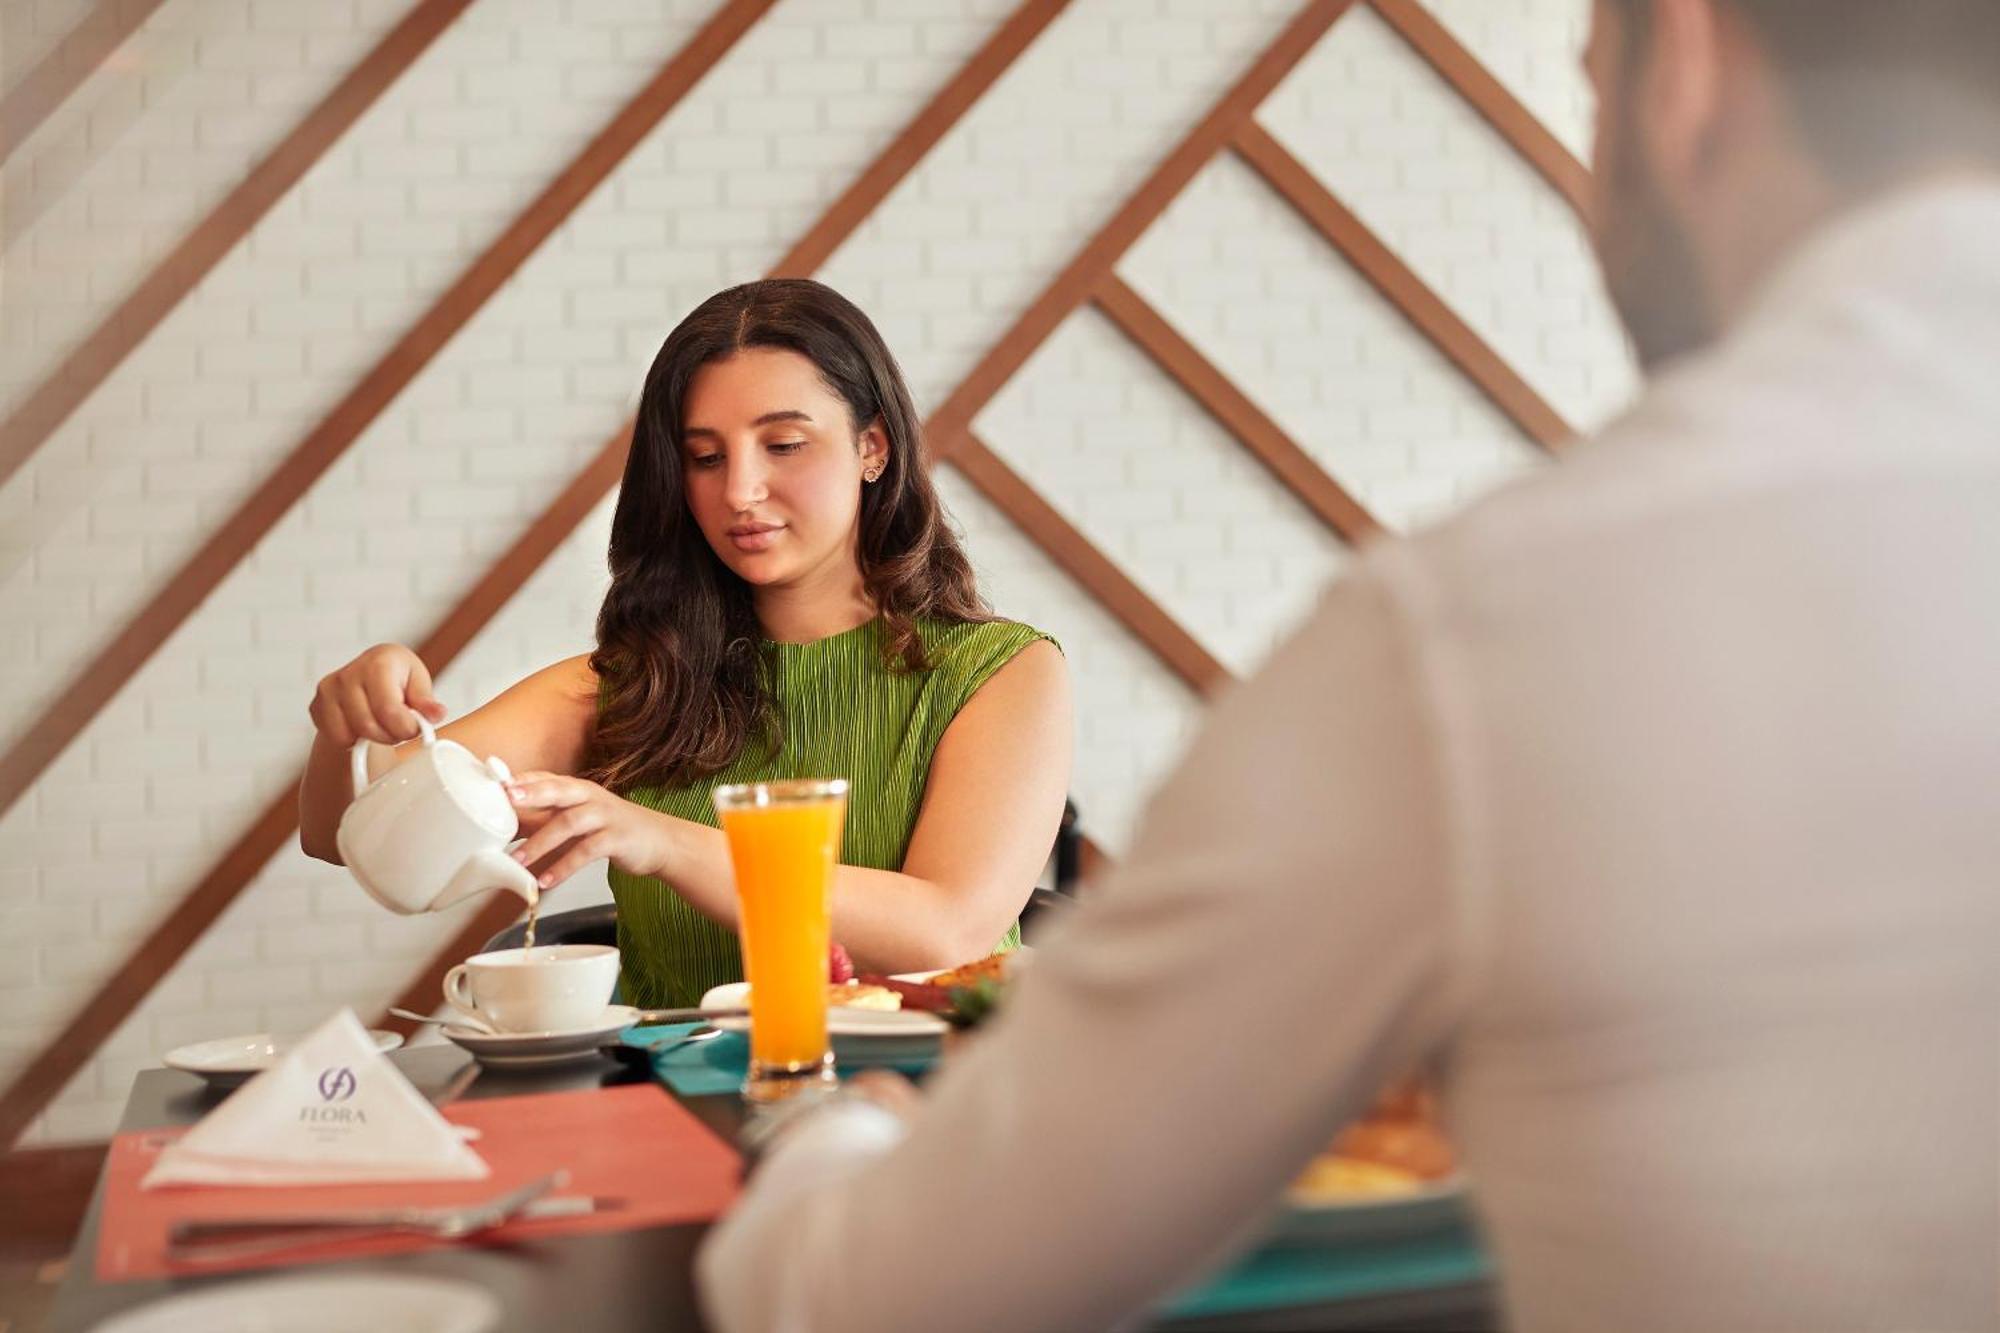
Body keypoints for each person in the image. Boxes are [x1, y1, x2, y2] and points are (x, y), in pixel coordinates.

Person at [696, 2, 2000, 1330]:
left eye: (1591, 84)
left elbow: (892, 1292)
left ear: (1689, 62)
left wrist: (822, 1140)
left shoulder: (1478, 632)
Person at [299, 279, 1072, 1008]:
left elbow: (945, 929)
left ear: (873, 447)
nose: (739, 490)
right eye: (706, 457)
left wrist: (662, 840)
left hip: (924, 1117)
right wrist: (349, 726)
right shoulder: (628, 687)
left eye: (783, 445)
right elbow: (345, 831)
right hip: (665, 1119)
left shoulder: (1001, 674)